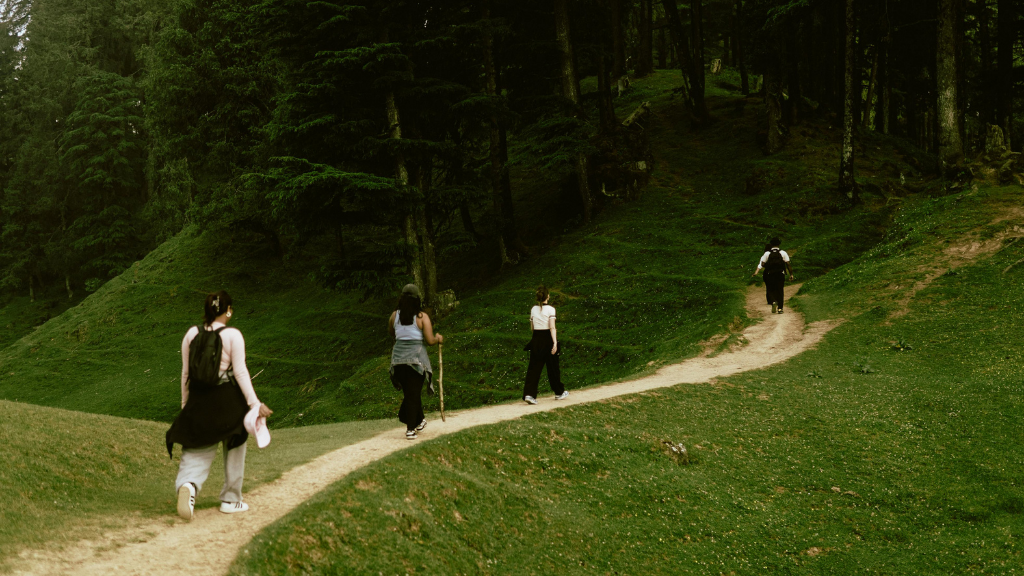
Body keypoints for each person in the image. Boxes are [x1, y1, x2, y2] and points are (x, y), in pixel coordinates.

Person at [166, 291, 273, 521]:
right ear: (229, 310)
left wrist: (186, 407)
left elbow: (185, 374)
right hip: (227, 400)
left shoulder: (191, 334)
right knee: (236, 439)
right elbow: (241, 371)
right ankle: (231, 499)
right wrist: (255, 404)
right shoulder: (233, 335)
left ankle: (188, 484)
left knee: (197, 446)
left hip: (198, 400)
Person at [389, 284, 443, 440]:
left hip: (398, 361)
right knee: (413, 395)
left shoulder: (394, 316)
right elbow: (430, 340)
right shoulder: (421, 317)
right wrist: (438, 338)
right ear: (417, 300)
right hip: (415, 362)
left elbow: (392, 333)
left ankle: (419, 421)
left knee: (410, 393)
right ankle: (410, 429)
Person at [522, 285, 568, 404]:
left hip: (536, 338)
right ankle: (559, 392)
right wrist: (554, 343)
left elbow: (532, 327)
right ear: (548, 296)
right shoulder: (551, 309)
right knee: (553, 367)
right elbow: (552, 327)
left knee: (534, 368)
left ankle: (529, 394)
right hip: (547, 338)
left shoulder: (533, 309)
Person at [752, 237, 794, 314]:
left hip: (770, 274)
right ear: (779, 244)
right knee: (780, 290)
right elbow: (788, 264)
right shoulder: (783, 253)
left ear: (771, 244)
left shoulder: (767, 253)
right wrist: (791, 274)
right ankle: (780, 309)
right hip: (780, 274)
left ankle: (773, 301)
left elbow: (763, 264)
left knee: (771, 289)